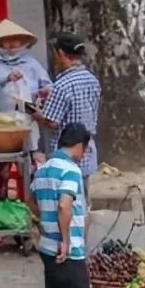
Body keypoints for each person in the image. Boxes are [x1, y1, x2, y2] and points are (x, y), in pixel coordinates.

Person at [28, 122, 114, 288]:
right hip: (68, 249)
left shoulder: (43, 169)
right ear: (79, 146)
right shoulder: (70, 170)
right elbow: (65, 205)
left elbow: (30, 200)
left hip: (46, 247)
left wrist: (44, 225)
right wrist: (64, 239)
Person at [0, 20, 52, 201]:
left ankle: (33, 205)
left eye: (15, 41)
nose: (11, 46)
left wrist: (44, 91)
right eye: (7, 42)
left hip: (29, 126)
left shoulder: (32, 64)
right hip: (1, 130)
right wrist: (5, 77)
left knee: (35, 167)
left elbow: (47, 84)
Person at [35, 32, 100, 205]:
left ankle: (67, 233)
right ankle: (83, 231)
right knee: (83, 201)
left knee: (66, 204)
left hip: (64, 155)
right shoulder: (92, 80)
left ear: (60, 54)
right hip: (86, 150)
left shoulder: (61, 85)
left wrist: (35, 113)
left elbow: (51, 122)